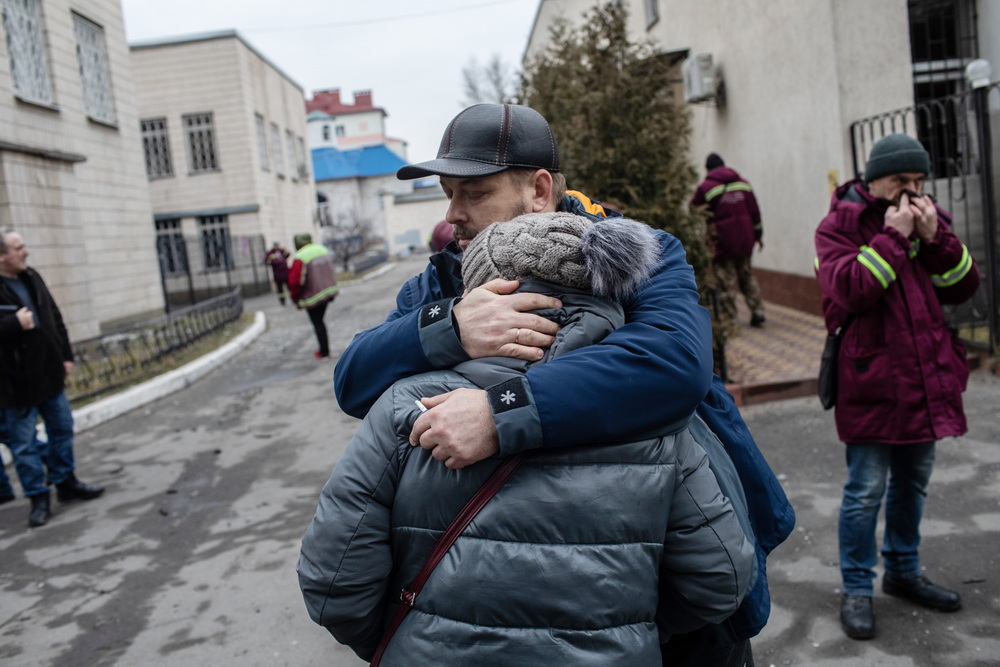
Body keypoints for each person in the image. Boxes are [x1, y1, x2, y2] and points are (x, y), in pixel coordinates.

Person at [333, 103, 794, 665]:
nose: (453, 213)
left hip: (671, 614)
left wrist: (500, 413)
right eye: (448, 192)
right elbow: (353, 380)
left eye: (474, 193)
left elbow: (675, 362)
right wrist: (450, 327)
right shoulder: (440, 282)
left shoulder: (635, 252)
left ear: (539, 189)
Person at [300, 212, 757, 665]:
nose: (451, 212)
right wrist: (632, 628)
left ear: (478, 290)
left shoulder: (407, 404)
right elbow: (721, 578)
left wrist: (398, 639)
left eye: (474, 191)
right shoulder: (651, 415)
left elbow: (333, 583)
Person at [814, 134, 980, 640]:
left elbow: (963, 285)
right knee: (865, 491)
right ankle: (858, 588)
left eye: (918, 182)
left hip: (924, 379)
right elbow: (848, 293)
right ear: (874, 180)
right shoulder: (837, 226)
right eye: (900, 182)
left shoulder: (926, 219)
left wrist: (935, 239)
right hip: (873, 382)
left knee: (913, 483)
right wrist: (892, 238)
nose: (912, 191)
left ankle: (904, 572)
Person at [0, 227, 104, 527]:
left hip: (49, 373)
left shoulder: (31, 277)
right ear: (2, 256)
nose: (25, 252)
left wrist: (66, 355)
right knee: (24, 444)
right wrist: (13, 324)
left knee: (62, 428)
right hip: (16, 382)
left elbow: (54, 317)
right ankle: (38, 497)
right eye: (18, 248)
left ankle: (65, 482)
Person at [691, 153, 766, 327]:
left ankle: (730, 319)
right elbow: (755, 212)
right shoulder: (743, 184)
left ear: (708, 169)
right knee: (747, 276)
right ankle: (758, 311)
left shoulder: (705, 188)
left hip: (722, 240)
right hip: (745, 239)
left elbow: (694, 210)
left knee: (725, 281)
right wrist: (759, 236)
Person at [288, 233, 339, 359]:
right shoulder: (321, 249)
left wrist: (295, 298)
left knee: (318, 323)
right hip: (328, 291)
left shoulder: (300, 256)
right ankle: (324, 350)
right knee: (320, 322)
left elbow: (295, 281)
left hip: (313, 295)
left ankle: (324, 351)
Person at [263, 241, 290, 305]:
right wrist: (270, 262)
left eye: (277, 245)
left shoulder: (282, 251)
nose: (277, 246)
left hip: (285, 272)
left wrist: (286, 251)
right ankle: (282, 300)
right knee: (280, 289)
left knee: (289, 287)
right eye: (275, 245)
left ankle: (293, 298)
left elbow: (288, 255)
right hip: (277, 274)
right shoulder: (270, 253)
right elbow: (266, 261)